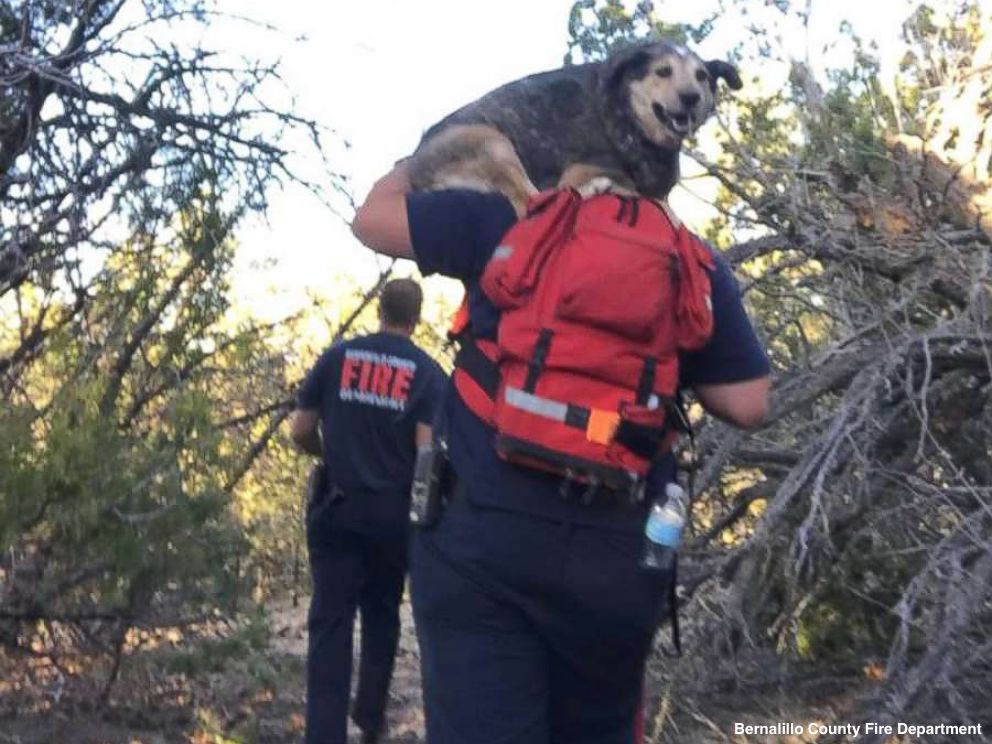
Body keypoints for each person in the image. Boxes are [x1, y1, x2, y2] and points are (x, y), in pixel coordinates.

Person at [351, 165, 771, 744]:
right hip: (617, 559)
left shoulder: (509, 220)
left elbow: (371, 218)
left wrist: (443, 151)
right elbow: (748, 402)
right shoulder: (687, 258)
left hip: (480, 548)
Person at [290, 278, 445, 744]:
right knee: (381, 615)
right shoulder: (427, 373)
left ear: (380, 310)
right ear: (416, 317)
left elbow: (300, 430)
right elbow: (425, 457)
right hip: (391, 519)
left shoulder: (338, 357)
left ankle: (324, 734)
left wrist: (330, 454)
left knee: (329, 624)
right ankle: (370, 721)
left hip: (336, 508)